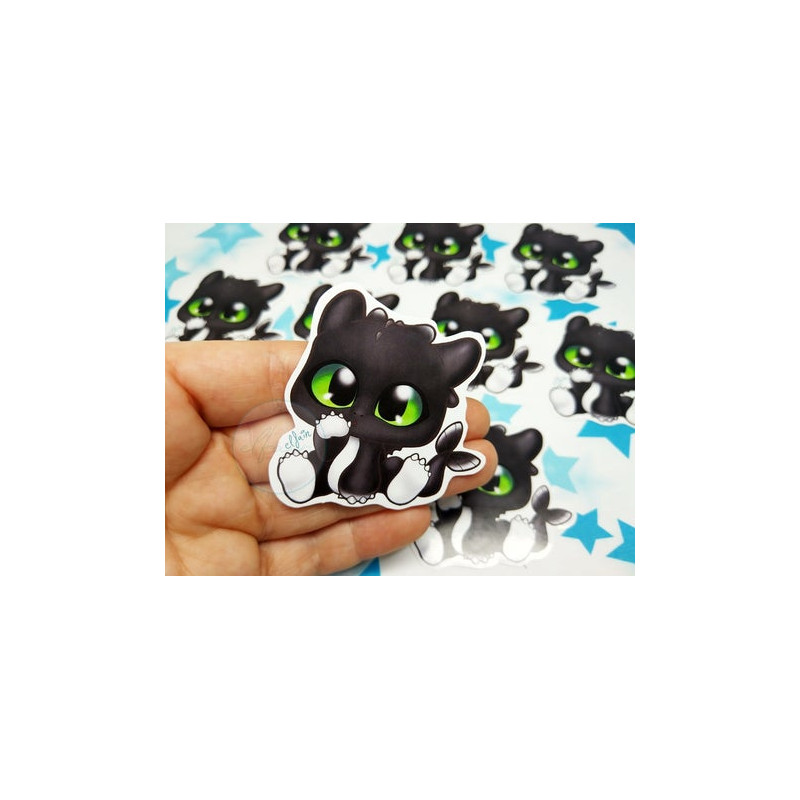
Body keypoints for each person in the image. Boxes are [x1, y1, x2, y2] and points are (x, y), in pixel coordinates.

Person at [166, 341, 498, 575]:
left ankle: (402, 484)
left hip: (375, 473)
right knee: (317, 460)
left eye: (400, 409)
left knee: (387, 467)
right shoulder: (330, 425)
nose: (360, 413)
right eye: (339, 391)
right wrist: (325, 431)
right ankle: (300, 480)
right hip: (326, 470)